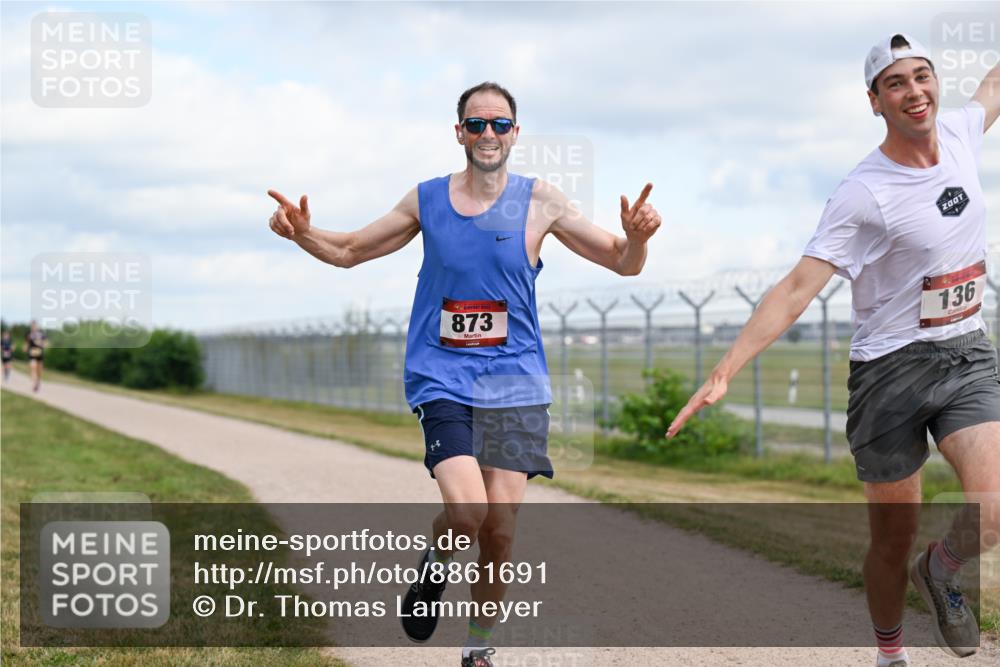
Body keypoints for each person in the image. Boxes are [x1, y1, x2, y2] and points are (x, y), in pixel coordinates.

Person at [267, 81, 662, 667]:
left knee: (499, 529)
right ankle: (437, 560)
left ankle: (478, 649)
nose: (488, 135)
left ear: (515, 134)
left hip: (516, 382)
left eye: (499, 125)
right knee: (468, 515)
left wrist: (637, 237)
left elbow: (621, 263)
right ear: (459, 133)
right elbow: (349, 250)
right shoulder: (427, 199)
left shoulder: (542, 201)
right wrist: (301, 234)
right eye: (476, 124)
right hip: (442, 376)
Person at [667, 34, 1000, 667]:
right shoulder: (861, 192)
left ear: (936, 82)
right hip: (889, 374)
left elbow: (996, 82)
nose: (914, 91)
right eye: (895, 84)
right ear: (874, 101)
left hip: (965, 353)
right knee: (889, 542)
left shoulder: (961, 132)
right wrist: (723, 370)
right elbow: (796, 288)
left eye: (922, 76)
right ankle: (889, 655)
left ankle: (943, 569)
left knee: (994, 506)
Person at [25, 321, 47, 393]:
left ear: (37, 326)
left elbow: (46, 342)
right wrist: (26, 347)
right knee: (33, 367)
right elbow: (27, 343)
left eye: (35, 326)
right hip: (32, 353)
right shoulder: (28, 334)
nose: (34, 327)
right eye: (32, 326)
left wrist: (43, 344)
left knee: (39, 370)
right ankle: (34, 384)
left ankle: (38, 380)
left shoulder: (41, 334)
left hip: (39, 353)